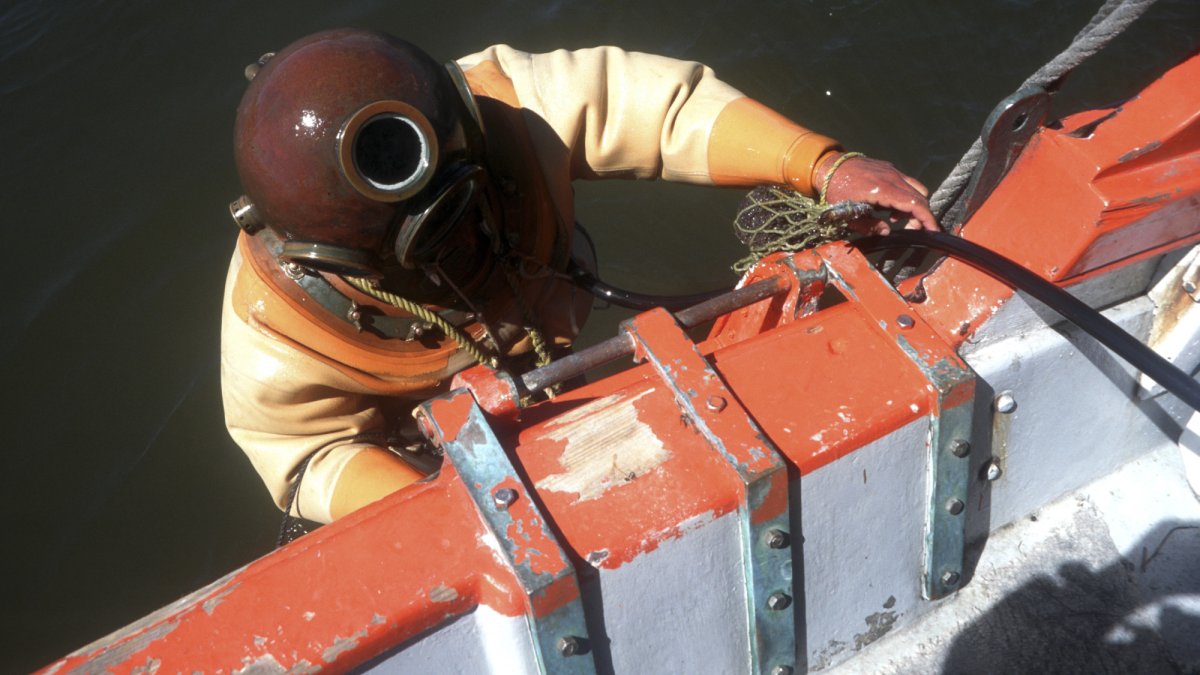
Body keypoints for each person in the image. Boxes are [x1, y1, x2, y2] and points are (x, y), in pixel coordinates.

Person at [221, 28, 938, 526]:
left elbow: (661, 109)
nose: (461, 239)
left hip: (551, 337)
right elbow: (306, 453)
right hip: (433, 444)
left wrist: (822, 165)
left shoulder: (509, 107)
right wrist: (446, 509)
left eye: (469, 203)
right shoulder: (273, 326)